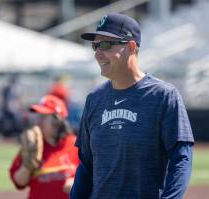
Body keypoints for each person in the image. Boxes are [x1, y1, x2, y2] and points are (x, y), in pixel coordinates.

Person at [70, 13, 194, 199]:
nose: (97, 53)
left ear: (131, 46)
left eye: (105, 45)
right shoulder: (94, 99)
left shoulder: (163, 96)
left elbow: (181, 158)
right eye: (95, 45)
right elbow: (87, 164)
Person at [9, 94, 80, 199]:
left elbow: (93, 176)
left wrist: (77, 182)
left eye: (43, 117)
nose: (37, 122)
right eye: (37, 117)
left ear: (57, 121)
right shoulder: (33, 145)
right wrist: (27, 166)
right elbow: (19, 182)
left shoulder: (77, 145)